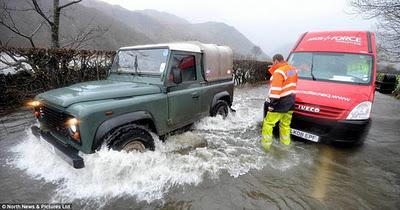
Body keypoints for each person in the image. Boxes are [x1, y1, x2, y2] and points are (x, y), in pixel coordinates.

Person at [261, 54, 298, 150]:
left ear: (276, 61)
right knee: (285, 125)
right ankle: (285, 145)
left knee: (268, 123)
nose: (272, 64)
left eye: (273, 62)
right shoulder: (292, 70)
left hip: (280, 103)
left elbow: (276, 90)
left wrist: (272, 105)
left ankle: (266, 147)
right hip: (291, 103)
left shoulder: (279, 72)